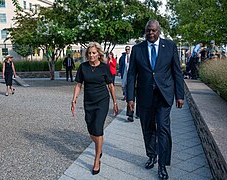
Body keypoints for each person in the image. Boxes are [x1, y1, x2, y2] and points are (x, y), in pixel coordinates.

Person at [126, 20, 184, 179]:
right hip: (145, 97)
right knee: (148, 128)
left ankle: (162, 165)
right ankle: (152, 155)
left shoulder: (170, 46)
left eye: (153, 31)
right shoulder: (137, 49)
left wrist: (180, 95)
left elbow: (177, 72)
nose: (150, 33)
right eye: (148, 31)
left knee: (163, 129)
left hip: (164, 96)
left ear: (159, 31)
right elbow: (131, 75)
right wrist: (130, 98)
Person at [71, 42, 118, 175]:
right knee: (91, 131)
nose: (91, 55)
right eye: (89, 53)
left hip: (102, 101)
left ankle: (97, 159)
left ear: (98, 54)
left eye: (94, 53)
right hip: (88, 102)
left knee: (98, 129)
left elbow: (111, 86)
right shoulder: (83, 67)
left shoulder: (104, 67)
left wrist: (115, 103)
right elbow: (79, 84)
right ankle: (99, 146)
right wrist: (74, 99)